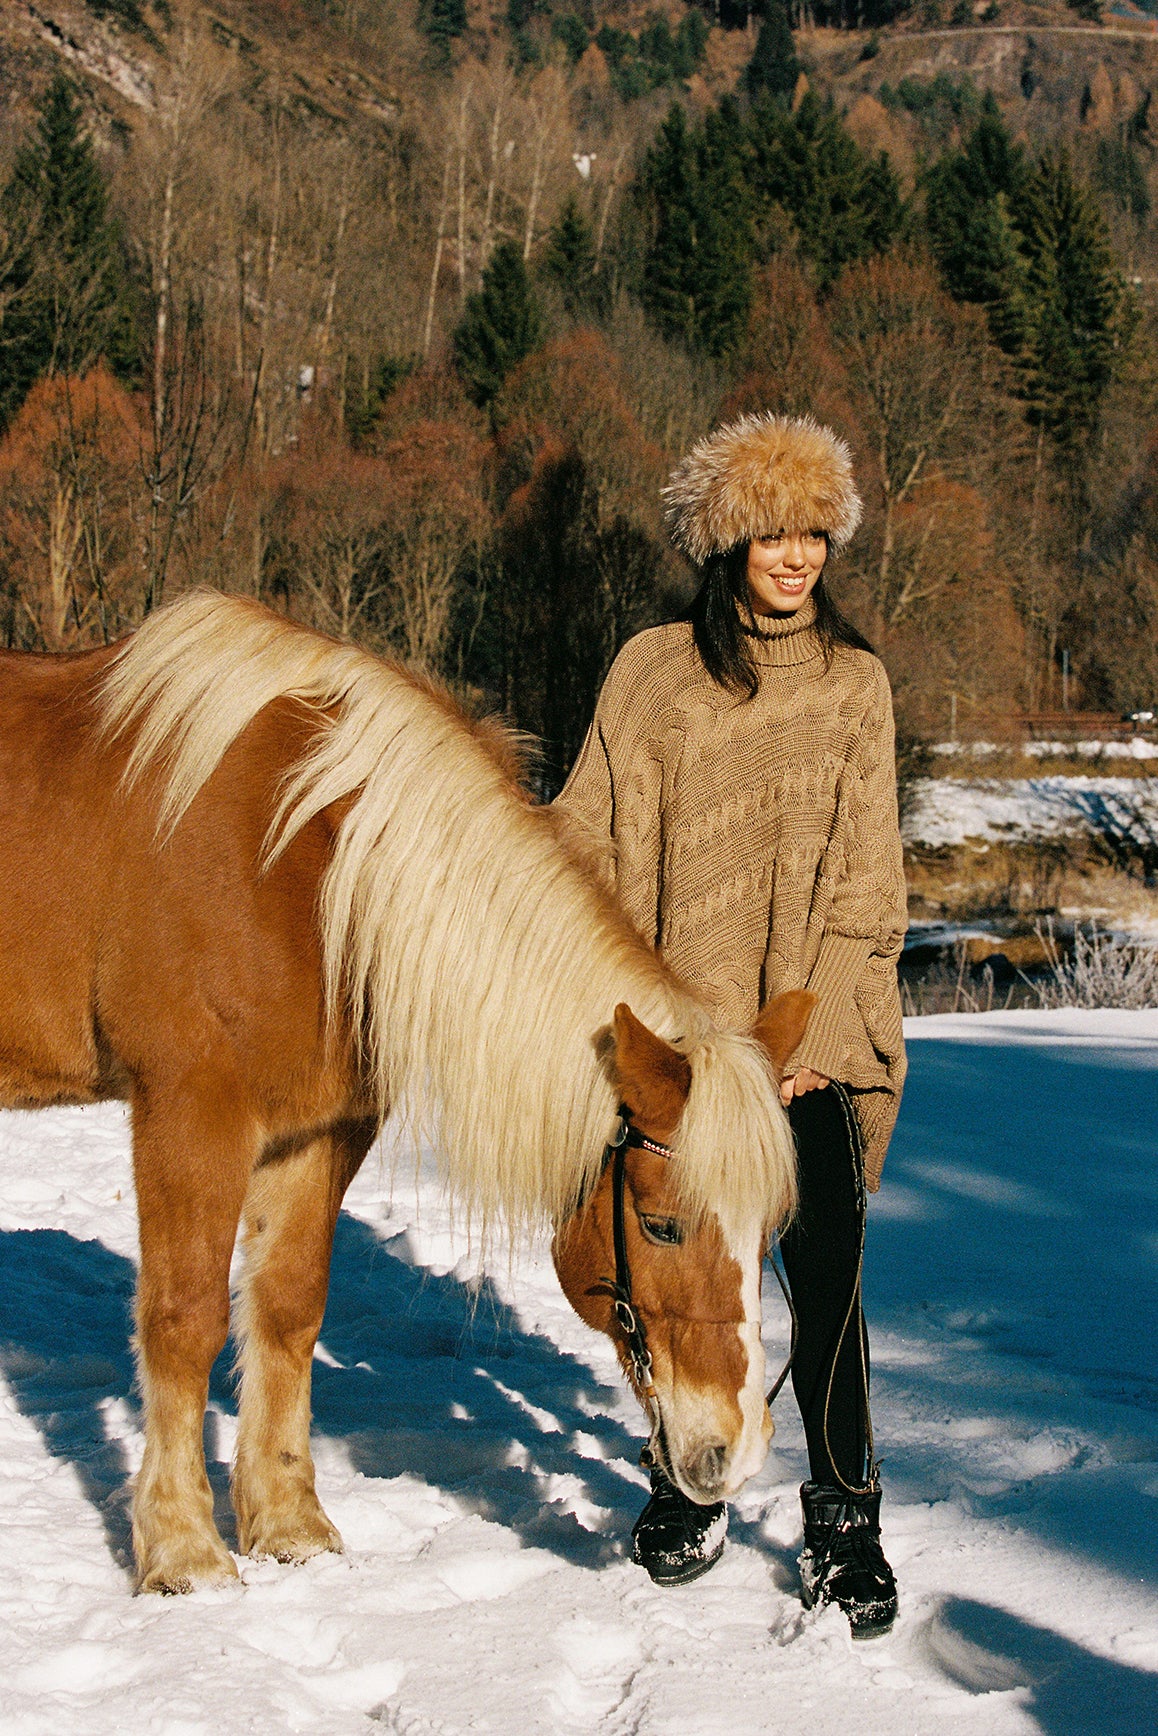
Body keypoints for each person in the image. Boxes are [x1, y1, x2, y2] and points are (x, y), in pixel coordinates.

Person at [554, 412, 907, 1638]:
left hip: (806, 1050)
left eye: (813, 529)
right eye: (771, 530)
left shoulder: (858, 687)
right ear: (726, 539)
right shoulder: (652, 672)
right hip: (678, 1061)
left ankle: (845, 1512)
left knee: (825, 1280)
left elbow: (868, 885)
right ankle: (683, 1478)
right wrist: (649, 1020)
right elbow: (586, 838)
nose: (796, 554)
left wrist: (807, 1033)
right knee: (685, 1275)